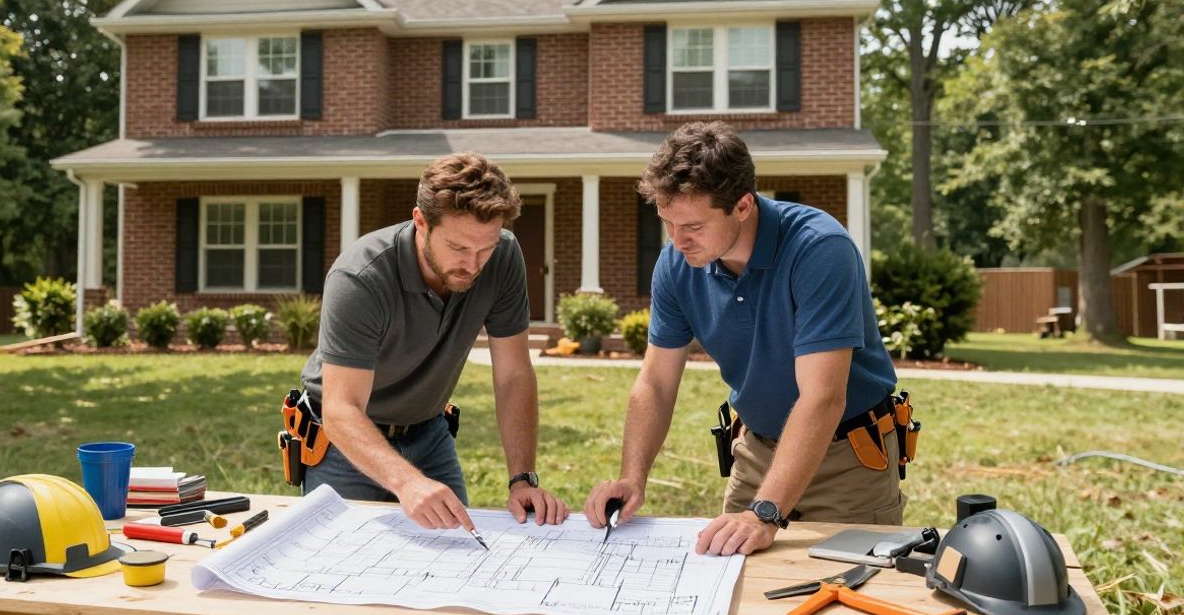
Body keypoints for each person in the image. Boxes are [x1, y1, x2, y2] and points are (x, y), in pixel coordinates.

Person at [583, 121, 905, 557]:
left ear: (742, 205)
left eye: (693, 225)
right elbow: (656, 383)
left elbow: (823, 397)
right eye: (666, 222)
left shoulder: (818, 249)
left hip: (847, 460)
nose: (677, 241)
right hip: (755, 453)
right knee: (731, 592)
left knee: (846, 598)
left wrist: (767, 513)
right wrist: (632, 476)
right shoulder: (677, 265)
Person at [298, 151, 569, 533]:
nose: (474, 264)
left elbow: (513, 375)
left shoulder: (504, 256)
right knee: (343, 567)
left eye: (485, 248)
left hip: (429, 434)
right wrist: (407, 482)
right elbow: (342, 409)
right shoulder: (360, 278)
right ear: (421, 222)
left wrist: (521, 478)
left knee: (457, 557)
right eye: (458, 248)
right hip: (345, 444)